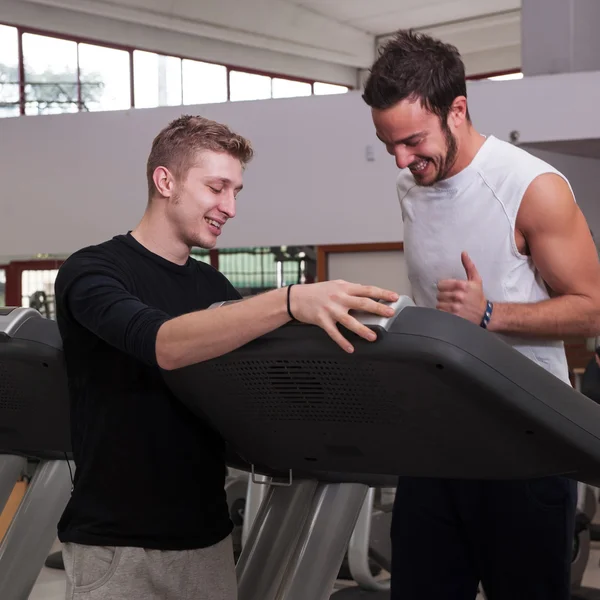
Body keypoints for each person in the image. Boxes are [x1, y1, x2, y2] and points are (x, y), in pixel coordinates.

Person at [54, 114, 399, 600]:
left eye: (236, 191)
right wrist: (287, 300)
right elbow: (163, 344)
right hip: (117, 546)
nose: (230, 207)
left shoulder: (214, 288)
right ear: (165, 180)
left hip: (207, 541)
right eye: (217, 188)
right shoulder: (92, 271)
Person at [362, 29, 600, 600]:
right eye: (387, 142)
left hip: (522, 444)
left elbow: (593, 308)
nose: (400, 159)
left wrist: (490, 314)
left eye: (413, 140)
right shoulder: (408, 186)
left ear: (458, 110)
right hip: (436, 440)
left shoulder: (531, 187)